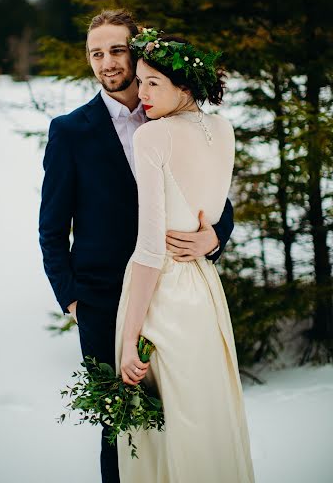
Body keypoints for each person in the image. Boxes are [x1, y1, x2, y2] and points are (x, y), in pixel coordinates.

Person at [38, 10, 235, 483]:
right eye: (96, 53)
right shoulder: (70, 131)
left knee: (180, 424)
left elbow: (212, 195)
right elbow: (50, 228)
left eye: (116, 50)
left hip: (173, 298)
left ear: (138, 51)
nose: (106, 62)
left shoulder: (175, 117)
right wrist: (73, 299)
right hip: (104, 304)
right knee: (121, 435)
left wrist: (215, 235)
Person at [115, 29, 255, 482]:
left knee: (169, 430)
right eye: (140, 80)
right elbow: (208, 212)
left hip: (164, 299)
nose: (142, 92)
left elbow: (150, 250)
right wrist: (212, 237)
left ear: (186, 87)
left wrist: (130, 338)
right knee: (207, 420)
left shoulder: (153, 137)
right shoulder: (223, 128)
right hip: (205, 289)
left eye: (154, 82)